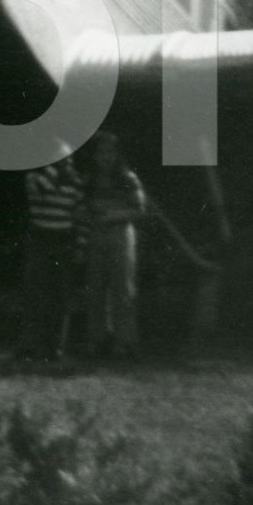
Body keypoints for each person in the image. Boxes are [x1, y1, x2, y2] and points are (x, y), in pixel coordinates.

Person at [17, 143, 88, 360]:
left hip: (63, 241)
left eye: (69, 160)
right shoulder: (35, 178)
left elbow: (82, 218)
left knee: (61, 296)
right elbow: (44, 190)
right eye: (63, 160)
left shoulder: (75, 185)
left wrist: (81, 246)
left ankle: (56, 347)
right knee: (36, 294)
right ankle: (30, 345)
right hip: (41, 239)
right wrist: (54, 170)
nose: (69, 165)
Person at [82, 132, 146, 358]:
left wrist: (113, 216)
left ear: (117, 155)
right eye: (101, 153)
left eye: (110, 152)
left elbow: (139, 209)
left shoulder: (127, 178)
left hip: (120, 234)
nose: (106, 157)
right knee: (95, 287)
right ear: (95, 156)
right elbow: (82, 207)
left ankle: (125, 342)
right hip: (96, 235)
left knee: (122, 289)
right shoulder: (89, 180)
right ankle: (97, 340)